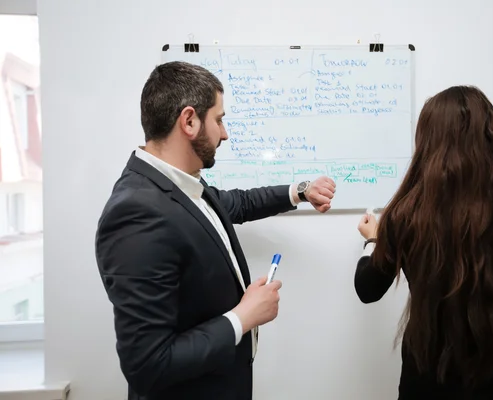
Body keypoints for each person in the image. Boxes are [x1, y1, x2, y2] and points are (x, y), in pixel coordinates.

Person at [95, 61, 336, 400]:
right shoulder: (137, 213)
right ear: (189, 121)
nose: (225, 133)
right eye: (219, 120)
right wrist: (242, 317)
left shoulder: (179, 183)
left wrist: (299, 191)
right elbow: (148, 365)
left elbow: (234, 203)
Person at [354, 86, 493, 400]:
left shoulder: (406, 217)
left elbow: (368, 289)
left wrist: (373, 241)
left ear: (428, 143)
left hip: (427, 385)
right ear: (492, 141)